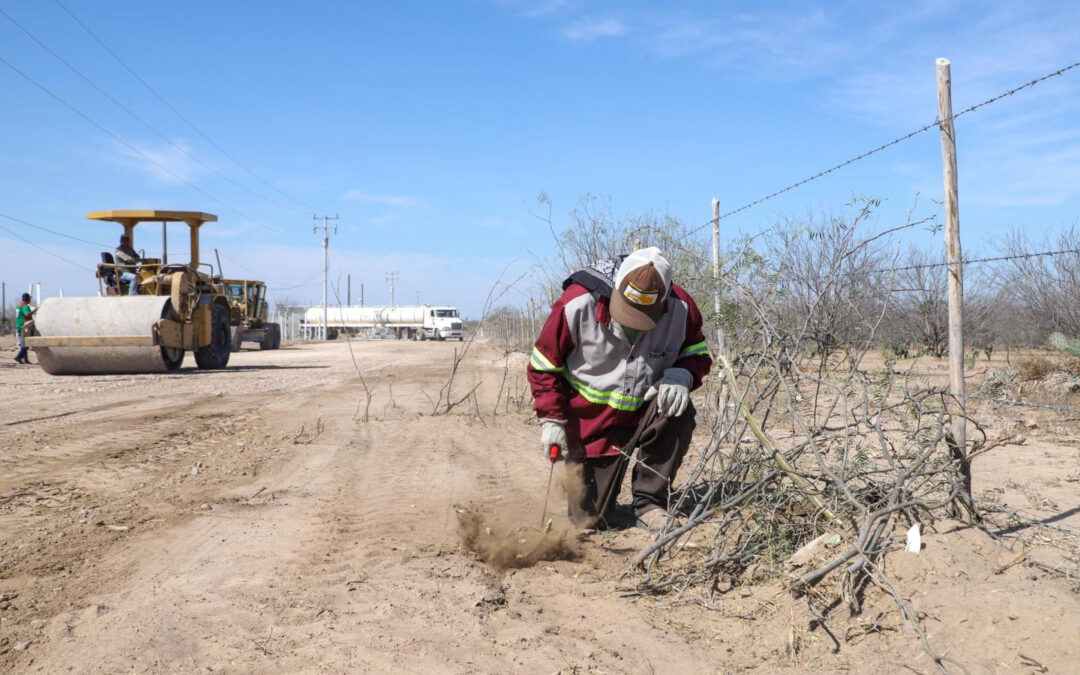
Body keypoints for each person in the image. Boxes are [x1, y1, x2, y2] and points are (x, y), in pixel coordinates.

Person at [527, 247, 712, 532]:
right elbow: (544, 365)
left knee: (679, 408)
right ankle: (600, 499)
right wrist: (551, 419)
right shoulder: (576, 303)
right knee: (589, 519)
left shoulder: (682, 308)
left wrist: (683, 373)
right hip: (592, 422)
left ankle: (650, 503)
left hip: (646, 411)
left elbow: (697, 352)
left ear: (663, 300)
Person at [14, 292, 36, 364]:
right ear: (27, 299)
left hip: (18, 326)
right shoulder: (25, 306)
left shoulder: (18, 305)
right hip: (23, 327)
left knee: (24, 343)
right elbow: (26, 314)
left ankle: (25, 360)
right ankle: (18, 357)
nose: (30, 300)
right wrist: (35, 310)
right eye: (29, 298)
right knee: (26, 344)